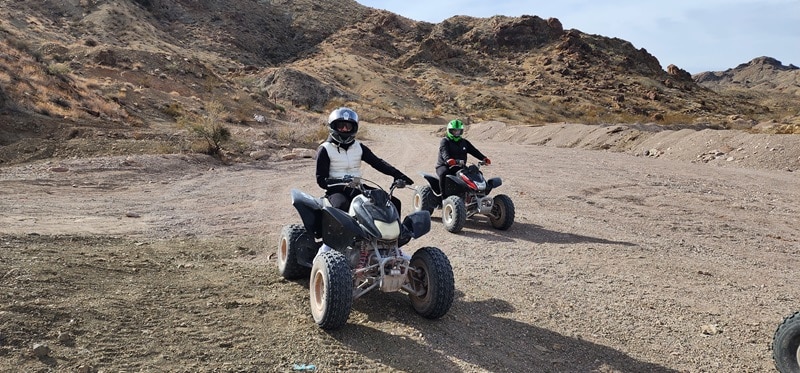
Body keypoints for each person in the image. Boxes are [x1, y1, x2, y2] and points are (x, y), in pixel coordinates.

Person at [315, 107, 414, 213]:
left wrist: (398, 175)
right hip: (336, 190)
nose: (344, 129)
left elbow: (378, 163)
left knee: (391, 202)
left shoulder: (359, 147)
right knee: (341, 206)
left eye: (348, 126)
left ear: (354, 128)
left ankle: (396, 230)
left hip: (358, 187)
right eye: (340, 126)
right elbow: (321, 180)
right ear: (333, 126)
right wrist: (340, 182)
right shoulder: (325, 149)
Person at [435, 119, 491, 197]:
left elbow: (474, 151)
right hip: (444, 166)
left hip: (459, 166)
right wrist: (449, 160)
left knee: (476, 174)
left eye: (458, 131)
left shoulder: (464, 142)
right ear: (449, 131)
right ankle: (443, 197)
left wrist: (484, 158)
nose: (456, 133)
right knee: (444, 174)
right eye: (454, 131)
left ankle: (477, 195)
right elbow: (444, 152)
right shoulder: (445, 141)